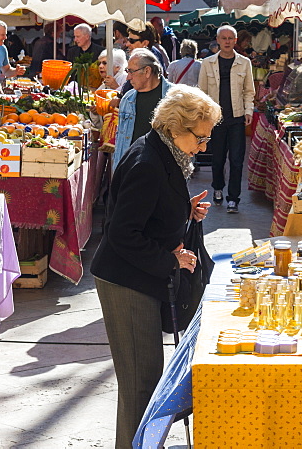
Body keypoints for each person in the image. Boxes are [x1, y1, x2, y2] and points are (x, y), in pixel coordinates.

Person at [90, 84, 219, 449]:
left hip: (137, 278)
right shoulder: (148, 161)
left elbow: (150, 211)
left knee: (146, 379)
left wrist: (184, 213)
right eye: (200, 137)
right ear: (177, 125)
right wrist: (171, 259)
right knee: (140, 383)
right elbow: (122, 233)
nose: (204, 146)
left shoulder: (164, 151)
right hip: (125, 282)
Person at [197, 25, 255, 214]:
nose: (228, 41)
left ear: (235, 41)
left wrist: (248, 111)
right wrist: (204, 116)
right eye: (224, 38)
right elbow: (202, 92)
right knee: (218, 158)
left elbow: (249, 91)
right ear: (218, 40)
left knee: (237, 159)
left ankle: (233, 198)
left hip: (237, 118)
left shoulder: (244, 63)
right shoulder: (208, 63)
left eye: (231, 38)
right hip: (216, 119)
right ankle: (218, 188)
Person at [113, 49, 169, 168]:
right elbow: (120, 140)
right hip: (131, 170)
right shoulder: (127, 99)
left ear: (147, 71)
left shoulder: (174, 97)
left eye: (131, 72)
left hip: (163, 171)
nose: (128, 77)